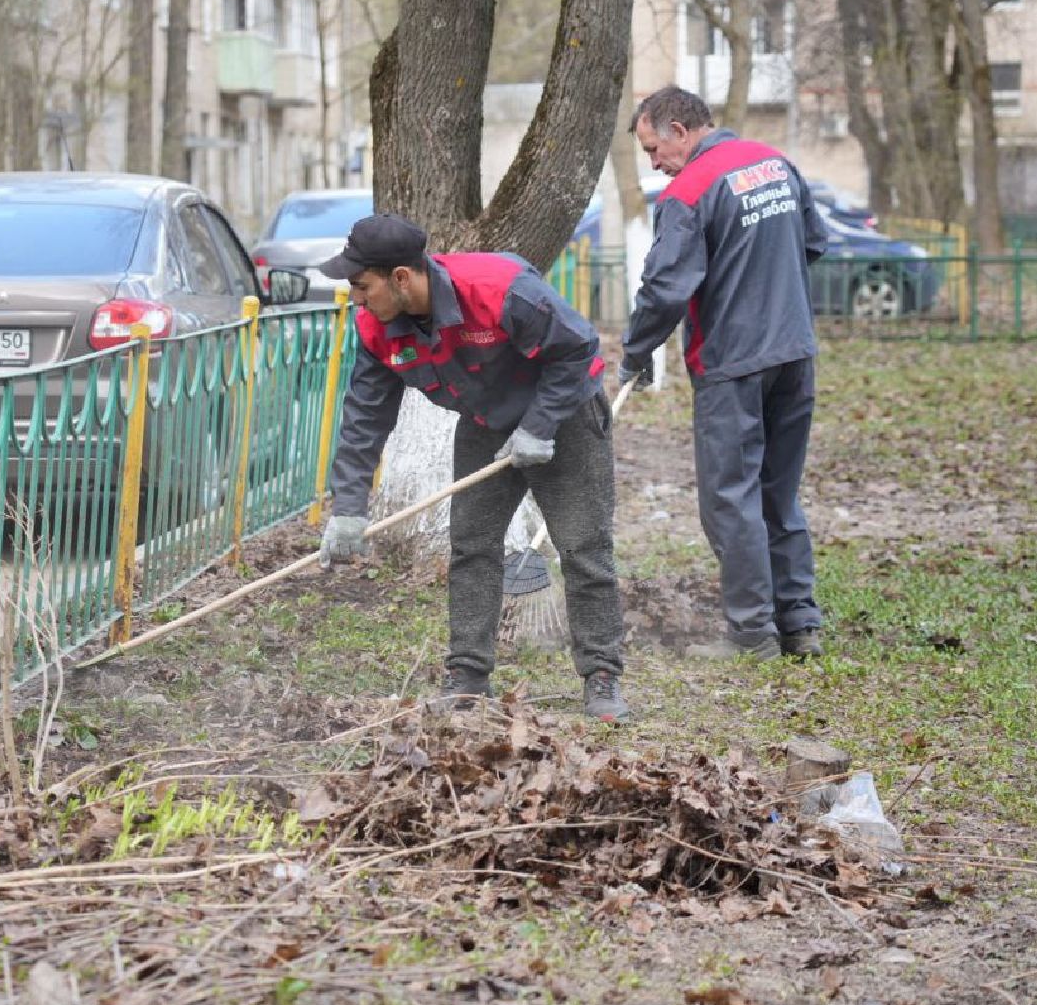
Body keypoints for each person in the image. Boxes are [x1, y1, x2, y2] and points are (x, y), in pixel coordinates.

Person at [316, 213, 629, 721]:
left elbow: (577, 349)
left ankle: (601, 675)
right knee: (472, 544)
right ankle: (468, 675)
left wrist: (540, 426)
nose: (355, 296)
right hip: (486, 421)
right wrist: (348, 508)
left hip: (564, 411)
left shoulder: (499, 290)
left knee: (583, 545)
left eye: (360, 284)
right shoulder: (378, 327)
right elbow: (364, 419)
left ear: (401, 278)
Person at [619, 85, 829, 661]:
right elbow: (814, 243)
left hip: (732, 363)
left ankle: (753, 635)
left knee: (730, 499)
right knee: (778, 493)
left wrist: (634, 355)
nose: (654, 163)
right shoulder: (775, 164)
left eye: (652, 148)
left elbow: (664, 290)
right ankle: (800, 624)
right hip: (794, 353)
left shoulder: (688, 192)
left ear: (679, 132)